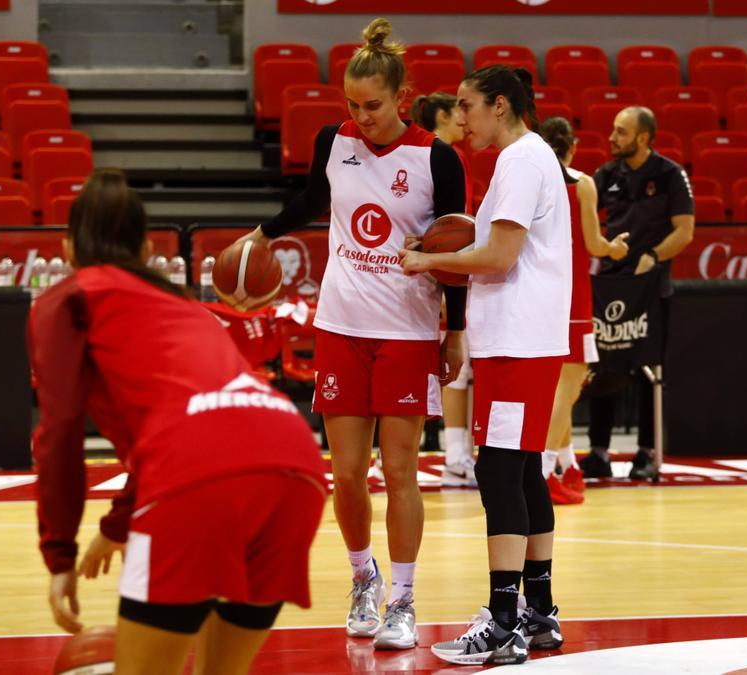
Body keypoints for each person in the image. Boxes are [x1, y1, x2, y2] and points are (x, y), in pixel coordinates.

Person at [29, 170, 326, 675]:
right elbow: (193, 416)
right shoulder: (185, 305)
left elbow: (58, 433)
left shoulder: (67, 299)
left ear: (68, 249)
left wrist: (59, 555)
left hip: (195, 477)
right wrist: (120, 523)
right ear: (146, 250)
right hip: (296, 461)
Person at [236, 18, 468, 652]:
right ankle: (362, 578)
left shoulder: (435, 157)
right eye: (352, 105)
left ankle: (404, 598)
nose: (361, 116)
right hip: (340, 323)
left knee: (400, 471)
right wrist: (263, 233)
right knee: (344, 475)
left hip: (407, 330)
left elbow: (452, 250)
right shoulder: (333, 141)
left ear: (401, 98)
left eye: (373, 105)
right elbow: (312, 198)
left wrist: (455, 331)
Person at [400, 64, 571, 667]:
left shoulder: (521, 161)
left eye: (468, 105)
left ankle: (502, 624)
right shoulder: (529, 157)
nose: (461, 117)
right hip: (524, 340)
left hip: (518, 342)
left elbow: (499, 255)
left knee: (500, 475)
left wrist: (427, 264)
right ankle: (540, 613)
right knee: (522, 472)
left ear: (500, 105)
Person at [584, 106, 694, 481]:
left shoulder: (669, 175)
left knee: (649, 371)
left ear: (642, 138)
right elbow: (583, 216)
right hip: (611, 283)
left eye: (621, 132)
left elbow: (684, 231)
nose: (612, 138)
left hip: (650, 286)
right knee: (603, 368)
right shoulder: (605, 174)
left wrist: (652, 255)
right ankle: (598, 451)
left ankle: (646, 452)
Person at [537, 117, 630, 504]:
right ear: (572, 146)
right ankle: (541, 474)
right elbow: (593, 243)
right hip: (571, 294)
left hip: (536, 292)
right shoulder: (582, 183)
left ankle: (566, 463)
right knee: (568, 388)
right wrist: (616, 249)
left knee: (554, 389)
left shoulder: (533, 181)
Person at [410, 91, 476, 488]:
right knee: (420, 368)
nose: (465, 120)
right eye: (459, 112)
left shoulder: (456, 158)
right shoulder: (426, 156)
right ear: (441, 115)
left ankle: (455, 454)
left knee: (455, 370)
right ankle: (406, 454)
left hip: (448, 270)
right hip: (425, 273)